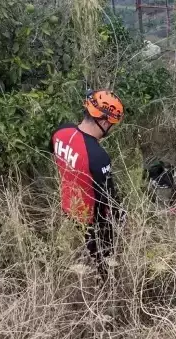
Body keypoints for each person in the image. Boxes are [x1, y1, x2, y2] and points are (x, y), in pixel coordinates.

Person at [49, 89, 126, 279]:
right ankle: (103, 281)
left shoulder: (60, 132)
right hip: (91, 219)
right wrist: (118, 221)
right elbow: (107, 200)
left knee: (77, 255)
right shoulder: (98, 157)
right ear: (105, 122)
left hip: (68, 207)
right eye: (113, 125)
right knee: (100, 263)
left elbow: (53, 155)